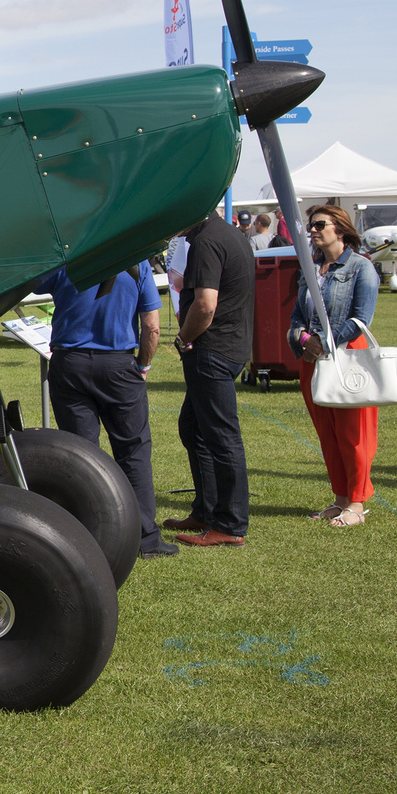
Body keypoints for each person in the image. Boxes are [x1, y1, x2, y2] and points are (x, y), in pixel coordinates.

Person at [41, 261, 172, 559]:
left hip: (69, 362)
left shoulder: (71, 258)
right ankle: (144, 538)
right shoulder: (138, 263)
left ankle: (86, 532)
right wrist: (143, 366)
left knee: (81, 454)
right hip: (118, 365)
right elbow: (152, 326)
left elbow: (31, 282)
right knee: (133, 451)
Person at [165, 211, 256, 547]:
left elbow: (204, 305)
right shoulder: (228, 234)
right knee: (194, 428)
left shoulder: (207, 241)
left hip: (212, 349)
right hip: (226, 347)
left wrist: (184, 338)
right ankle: (206, 509)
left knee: (221, 437)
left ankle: (230, 523)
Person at [289, 204, 381, 528]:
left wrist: (325, 343)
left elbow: (360, 318)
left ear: (339, 229)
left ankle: (357, 503)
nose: (312, 230)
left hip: (347, 358)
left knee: (353, 434)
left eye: (319, 224)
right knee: (327, 432)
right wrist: (303, 340)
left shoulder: (361, 268)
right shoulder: (310, 269)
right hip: (314, 360)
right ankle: (341, 497)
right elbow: (297, 316)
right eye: (311, 225)